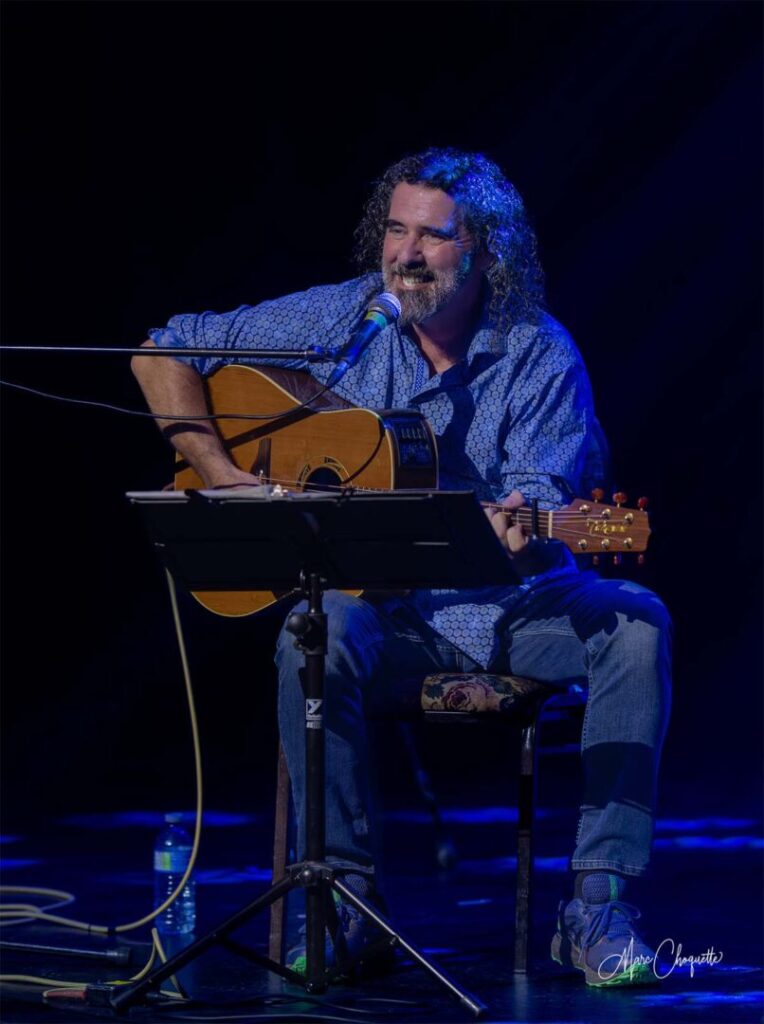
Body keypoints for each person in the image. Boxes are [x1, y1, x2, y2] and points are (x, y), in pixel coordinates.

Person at [132, 148, 672, 987]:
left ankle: (597, 906)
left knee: (636, 621)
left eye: (433, 235)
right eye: (395, 229)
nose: (406, 253)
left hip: (516, 608)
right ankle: (348, 906)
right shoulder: (345, 320)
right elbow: (162, 349)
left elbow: (540, 498)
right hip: (391, 618)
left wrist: (520, 524)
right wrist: (223, 474)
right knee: (316, 626)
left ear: (487, 251)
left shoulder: (539, 353)